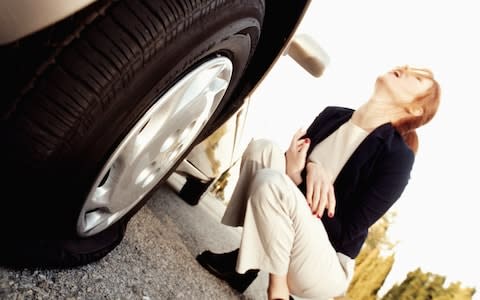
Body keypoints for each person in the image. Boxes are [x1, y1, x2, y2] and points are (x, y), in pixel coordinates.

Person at [196, 65, 441, 300]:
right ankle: (245, 266)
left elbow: (345, 234)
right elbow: (277, 186)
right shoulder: (332, 115)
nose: (406, 70)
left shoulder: (397, 156)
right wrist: (306, 169)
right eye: (408, 68)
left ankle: (278, 290)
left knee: (273, 181)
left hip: (322, 261)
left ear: (416, 110)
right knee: (263, 150)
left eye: (417, 78)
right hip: (286, 229)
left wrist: (296, 178)